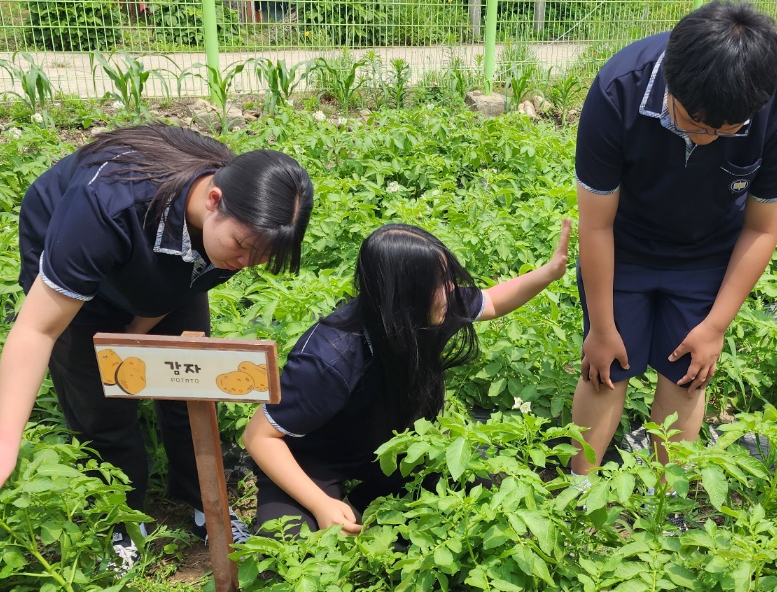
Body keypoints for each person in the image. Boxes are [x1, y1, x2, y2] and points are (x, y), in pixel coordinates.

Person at [0, 125, 314, 560]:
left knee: (189, 384)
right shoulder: (105, 207)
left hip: (167, 247)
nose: (245, 263)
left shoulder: (237, 233)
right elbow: (37, 330)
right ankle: (120, 516)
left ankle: (205, 503)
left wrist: (134, 339)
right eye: (242, 247)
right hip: (76, 239)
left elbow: (173, 289)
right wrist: (4, 443)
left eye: (261, 258)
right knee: (99, 400)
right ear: (214, 200)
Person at [569, 0, 777, 475]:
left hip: (708, 253)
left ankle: (666, 497)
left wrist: (715, 327)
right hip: (623, 246)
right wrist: (601, 327)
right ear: (671, 84)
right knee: (605, 372)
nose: (706, 139)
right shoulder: (619, 88)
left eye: (726, 130)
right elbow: (595, 224)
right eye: (694, 123)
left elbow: (762, 227)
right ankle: (579, 489)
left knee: (688, 374)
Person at [244, 219, 570, 535]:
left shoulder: (429, 312)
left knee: (479, 478)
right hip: (314, 459)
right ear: (405, 294)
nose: (451, 290)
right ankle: (342, 504)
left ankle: (363, 503)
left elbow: (493, 301)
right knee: (291, 541)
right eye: (439, 282)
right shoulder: (329, 358)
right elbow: (259, 436)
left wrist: (550, 271)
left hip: (388, 446)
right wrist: (319, 504)